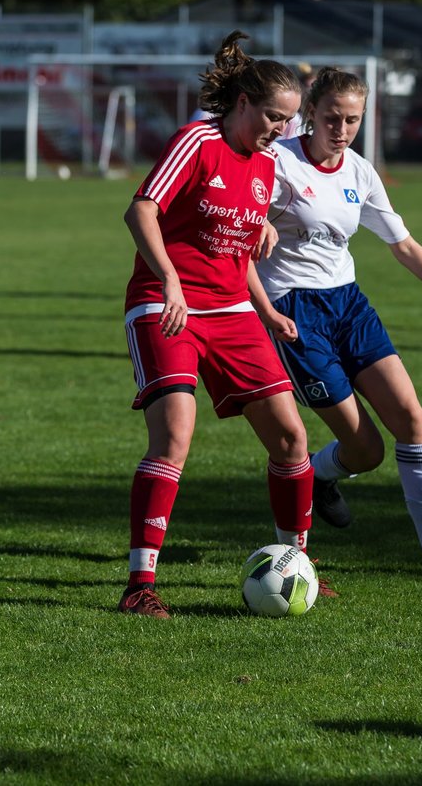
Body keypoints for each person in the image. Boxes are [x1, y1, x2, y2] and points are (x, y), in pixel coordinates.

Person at [252, 67, 422, 581]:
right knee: (367, 450)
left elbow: (402, 244)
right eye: (332, 117)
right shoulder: (277, 163)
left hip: (350, 306)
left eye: (352, 120)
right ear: (309, 113)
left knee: (411, 417)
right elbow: (238, 216)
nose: (341, 129)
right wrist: (262, 222)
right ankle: (315, 477)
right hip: (295, 311)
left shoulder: (360, 171)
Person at [118, 31, 320, 618]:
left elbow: (235, 253)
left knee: (291, 438)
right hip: (165, 302)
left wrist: (266, 308)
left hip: (232, 311)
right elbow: (141, 210)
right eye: (273, 117)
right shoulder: (197, 141)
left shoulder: (265, 164)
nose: (280, 130)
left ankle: (297, 562)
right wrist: (172, 281)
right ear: (242, 104)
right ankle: (140, 585)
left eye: (288, 120)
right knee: (176, 433)